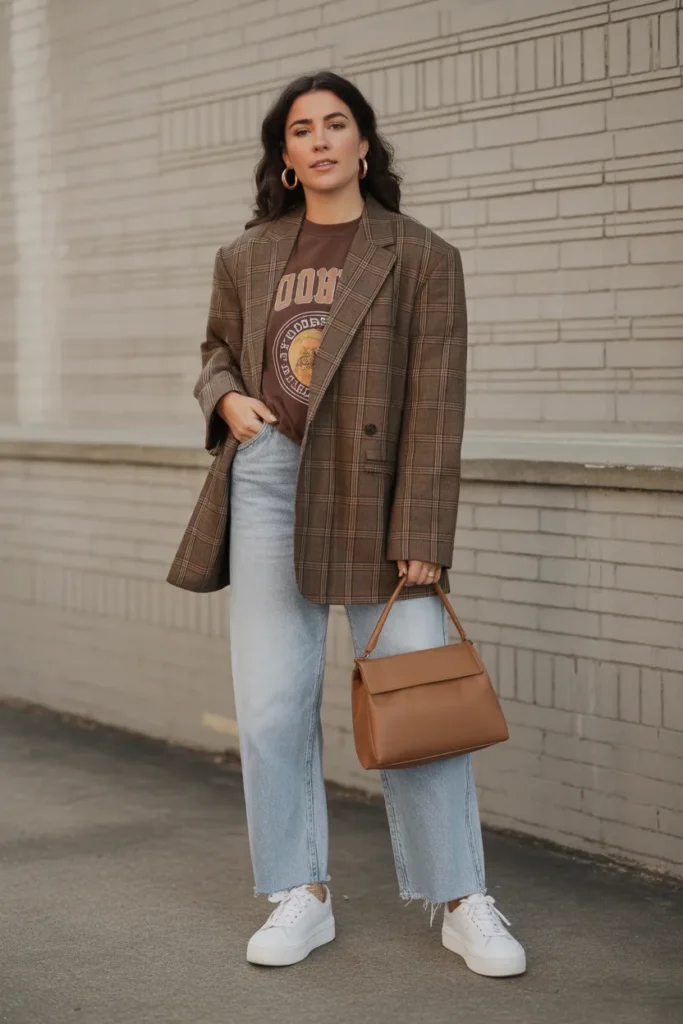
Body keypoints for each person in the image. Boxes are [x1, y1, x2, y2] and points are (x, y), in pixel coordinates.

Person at [167, 70, 526, 978]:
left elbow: (435, 407)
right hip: (269, 478)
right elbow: (215, 346)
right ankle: (301, 891)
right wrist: (229, 398)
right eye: (301, 129)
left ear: (365, 144)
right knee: (272, 703)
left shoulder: (421, 255)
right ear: (284, 157)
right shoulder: (246, 255)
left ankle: (458, 899)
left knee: (417, 696)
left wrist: (425, 532)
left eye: (337, 124)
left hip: (376, 490)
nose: (320, 139)